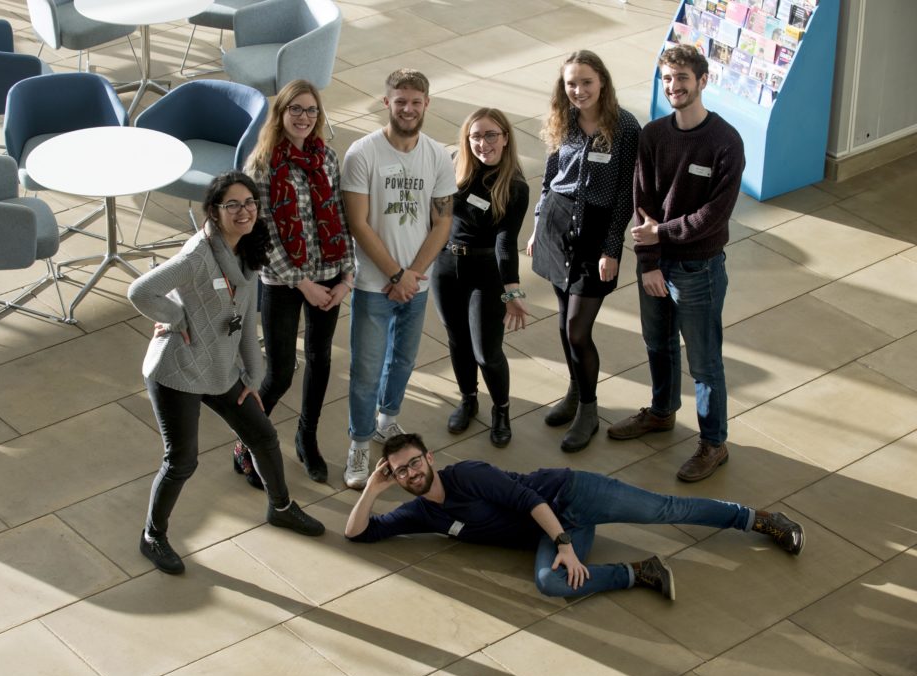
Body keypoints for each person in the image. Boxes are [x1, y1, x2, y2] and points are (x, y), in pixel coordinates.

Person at [128, 172, 324, 575]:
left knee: (263, 435)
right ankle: (153, 537)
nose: (244, 211)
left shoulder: (249, 252)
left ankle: (281, 507)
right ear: (214, 212)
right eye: (232, 204)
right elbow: (140, 291)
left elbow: (244, 324)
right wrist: (174, 315)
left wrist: (253, 378)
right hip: (177, 370)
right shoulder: (197, 257)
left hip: (220, 369)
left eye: (249, 202)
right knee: (182, 460)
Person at [345, 433, 805, 601]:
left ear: (429, 457)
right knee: (551, 583)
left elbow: (529, 500)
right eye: (400, 471)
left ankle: (760, 520)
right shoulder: (421, 511)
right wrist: (371, 488)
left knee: (666, 509)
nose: (410, 473)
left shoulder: (467, 474)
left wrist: (564, 543)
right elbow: (359, 534)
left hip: (572, 496)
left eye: (414, 463)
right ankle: (640, 572)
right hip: (560, 528)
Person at [608, 45, 745, 483]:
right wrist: (648, 262)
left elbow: (713, 218)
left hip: (699, 269)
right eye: (667, 78)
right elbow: (642, 203)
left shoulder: (725, 143)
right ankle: (663, 412)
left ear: (703, 81)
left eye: (682, 78)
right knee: (658, 345)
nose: (674, 86)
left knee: (704, 363)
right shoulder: (653, 135)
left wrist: (661, 236)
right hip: (656, 265)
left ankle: (713, 442)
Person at [340, 68, 456, 489]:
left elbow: (441, 223)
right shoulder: (362, 153)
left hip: (416, 285)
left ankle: (387, 420)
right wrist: (394, 274)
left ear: (427, 104)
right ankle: (357, 442)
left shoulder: (439, 156)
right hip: (375, 284)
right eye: (400, 100)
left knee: (403, 361)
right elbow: (358, 222)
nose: (408, 108)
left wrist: (412, 276)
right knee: (366, 369)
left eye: (416, 101)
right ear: (386, 102)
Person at [241, 79, 355, 486]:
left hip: (330, 276)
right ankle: (249, 441)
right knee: (281, 372)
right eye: (296, 110)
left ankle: (307, 437)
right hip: (283, 282)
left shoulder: (327, 158)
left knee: (322, 361)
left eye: (311, 111)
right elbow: (260, 234)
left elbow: (342, 218)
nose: (305, 118)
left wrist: (347, 277)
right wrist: (303, 283)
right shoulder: (262, 165)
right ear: (281, 114)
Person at [527, 50, 641, 453]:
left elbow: (628, 194)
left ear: (603, 82)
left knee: (578, 327)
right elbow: (549, 177)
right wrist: (539, 222)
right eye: (571, 83)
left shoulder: (625, 126)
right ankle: (575, 392)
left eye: (586, 82)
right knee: (563, 322)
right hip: (558, 223)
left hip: (596, 231)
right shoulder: (564, 119)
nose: (578, 90)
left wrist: (612, 247)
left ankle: (589, 410)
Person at [431, 108, 529, 447]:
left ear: (504, 137)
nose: (483, 143)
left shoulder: (513, 186)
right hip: (445, 266)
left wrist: (512, 290)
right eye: (476, 136)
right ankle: (468, 399)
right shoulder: (454, 164)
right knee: (457, 339)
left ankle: (501, 410)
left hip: (484, 274)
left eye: (490, 135)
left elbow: (506, 242)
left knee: (487, 351)